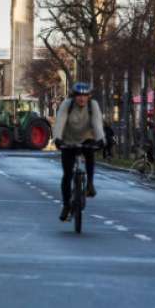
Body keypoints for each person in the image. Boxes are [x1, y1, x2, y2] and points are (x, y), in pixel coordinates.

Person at [52, 82, 104, 221]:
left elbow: (97, 123)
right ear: (74, 96)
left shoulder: (93, 106)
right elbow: (60, 122)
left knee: (90, 153)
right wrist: (57, 138)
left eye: (85, 95)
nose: (82, 98)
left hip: (86, 138)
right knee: (67, 175)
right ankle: (66, 205)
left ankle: (90, 184)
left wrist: (100, 139)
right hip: (68, 140)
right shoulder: (67, 105)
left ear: (89, 96)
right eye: (79, 95)